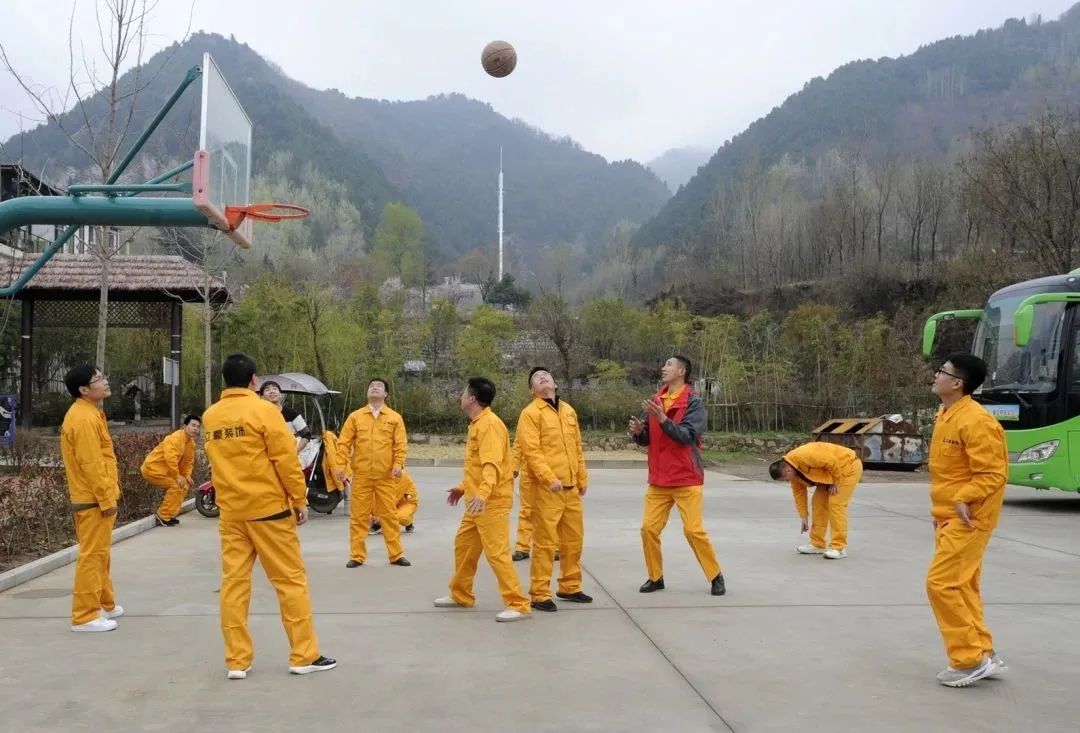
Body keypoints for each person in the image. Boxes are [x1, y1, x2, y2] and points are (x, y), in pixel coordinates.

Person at [202, 353, 336, 679]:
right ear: (254, 380)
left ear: (225, 381)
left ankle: (237, 660)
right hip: (269, 510)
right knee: (290, 582)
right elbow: (285, 460)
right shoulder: (265, 411)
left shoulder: (211, 416)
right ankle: (303, 654)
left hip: (232, 513)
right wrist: (299, 499)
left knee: (234, 585)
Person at [925, 353, 1009, 688]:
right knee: (962, 585)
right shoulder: (945, 413)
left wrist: (962, 498)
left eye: (941, 372)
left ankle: (968, 659)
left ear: (957, 383)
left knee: (941, 584)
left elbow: (993, 473)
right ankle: (983, 652)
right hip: (950, 516)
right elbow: (950, 472)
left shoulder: (976, 421)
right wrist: (942, 512)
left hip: (971, 517)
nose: (936, 375)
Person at [434, 377, 531, 622]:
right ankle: (461, 594)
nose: (460, 396)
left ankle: (518, 604)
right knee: (464, 545)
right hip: (477, 501)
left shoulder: (489, 425)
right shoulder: (478, 423)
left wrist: (483, 494)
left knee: (497, 553)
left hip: (490, 502)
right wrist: (462, 488)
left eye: (463, 393)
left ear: (472, 398)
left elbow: (492, 465)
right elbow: (477, 467)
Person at [628, 355, 725, 596]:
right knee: (648, 529)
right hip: (659, 478)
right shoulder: (656, 400)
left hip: (686, 477)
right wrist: (639, 432)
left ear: (681, 371)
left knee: (693, 531)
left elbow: (686, 436)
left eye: (668, 365)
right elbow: (648, 438)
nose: (663, 368)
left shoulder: (693, 402)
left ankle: (715, 575)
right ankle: (655, 578)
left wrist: (662, 419)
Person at [516, 367, 592, 612]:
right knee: (545, 543)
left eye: (546, 375)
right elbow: (532, 451)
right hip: (547, 490)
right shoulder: (530, 414)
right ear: (532, 391)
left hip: (570, 488)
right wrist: (549, 478)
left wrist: (581, 477)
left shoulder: (569, 411)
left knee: (573, 541)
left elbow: (577, 447)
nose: (543, 377)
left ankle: (570, 586)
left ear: (555, 383)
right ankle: (540, 593)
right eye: (537, 378)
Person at [61, 365, 123, 632]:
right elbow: (92, 464)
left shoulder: (90, 413)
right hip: (92, 499)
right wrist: (107, 499)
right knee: (92, 556)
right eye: (98, 379)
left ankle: (104, 603)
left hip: (95, 496)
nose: (105, 381)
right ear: (84, 390)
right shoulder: (83, 419)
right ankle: (85, 616)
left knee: (100, 554)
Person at [336, 378, 410, 568]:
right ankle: (357, 555)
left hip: (386, 476)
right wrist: (340, 466)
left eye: (379, 386)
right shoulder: (355, 417)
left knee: (389, 516)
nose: (374, 387)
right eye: (371, 386)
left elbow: (400, 445)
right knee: (359, 517)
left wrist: (398, 464)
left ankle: (396, 555)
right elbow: (343, 444)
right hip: (361, 476)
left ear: (386, 394)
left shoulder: (394, 418)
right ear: (367, 393)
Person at [768, 442, 863, 558]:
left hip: (848, 466)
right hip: (830, 473)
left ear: (787, 470)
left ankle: (839, 548)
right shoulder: (793, 473)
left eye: (785, 479)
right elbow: (799, 494)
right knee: (818, 503)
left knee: (836, 504)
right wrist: (803, 516)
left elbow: (831, 461)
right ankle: (817, 544)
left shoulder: (803, 455)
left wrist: (836, 481)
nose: (787, 481)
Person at [140, 414, 201, 527]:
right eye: (193, 425)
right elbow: (170, 458)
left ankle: (169, 514)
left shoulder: (191, 443)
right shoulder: (175, 438)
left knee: (185, 484)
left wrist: (186, 475)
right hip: (152, 469)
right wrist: (177, 476)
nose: (195, 428)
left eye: (198, 426)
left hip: (166, 471)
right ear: (185, 426)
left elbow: (188, 462)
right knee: (176, 485)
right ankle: (162, 515)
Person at [258, 380, 312, 454]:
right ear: (262, 397)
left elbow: (306, 435)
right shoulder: (258, 415)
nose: (272, 391)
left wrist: (295, 452)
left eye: (274, 389)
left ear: (280, 394)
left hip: (288, 455)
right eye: (267, 390)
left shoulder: (292, 414)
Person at [369, 470, 419, 535]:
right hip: (389, 502)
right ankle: (378, 523)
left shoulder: (403, 476)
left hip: (405, 503)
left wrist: (409, 495)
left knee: (402, 517)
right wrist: (371, 514)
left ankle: (409, 522)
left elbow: (411, 491)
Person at [511, 435, 534, 561]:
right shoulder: (525, 421)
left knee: (552, 512)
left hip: (552, 475)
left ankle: (555, 547)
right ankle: (522, 547)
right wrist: (514, 466)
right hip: (529, 474)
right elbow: (519, 443)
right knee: (526, 511)